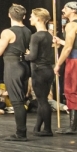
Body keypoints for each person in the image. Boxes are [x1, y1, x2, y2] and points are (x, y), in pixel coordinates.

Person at [0, 4, 32, 141]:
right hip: (23, 65)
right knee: (20, 99)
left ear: (9, 15)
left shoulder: (7, 31)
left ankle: (21, 133)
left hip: (13, 67)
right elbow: (13, 47)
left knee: (17, 101)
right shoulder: (27, 30)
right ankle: (21, 131)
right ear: (23, 16)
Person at [24, 8, 55, 136]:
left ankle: (47, 129)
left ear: (38, 18)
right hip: (48, 70)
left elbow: (32, 57)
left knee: (42, 101)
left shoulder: (36, 36)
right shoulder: (48, 35)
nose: (30, 18)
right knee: (43, 100)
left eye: (32, 16)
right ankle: (38, 127)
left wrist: (23, 55)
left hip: (39, 71)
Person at [54, 1, 77, 134]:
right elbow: (75, 44)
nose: (62, 10)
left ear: (73, 10)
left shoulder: (71, 25)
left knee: (72, 89)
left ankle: (73, 126)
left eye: (65, 8)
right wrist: (61, 41)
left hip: (75, 61)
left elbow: (69, 48)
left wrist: (58, 64)